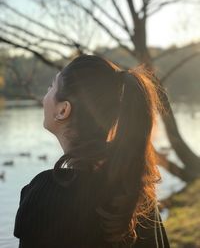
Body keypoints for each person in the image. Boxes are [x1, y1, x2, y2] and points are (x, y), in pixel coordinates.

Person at [13, 55, 170, 248]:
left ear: (63, 110)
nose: (45, 96)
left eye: (51, 87)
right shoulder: (135, 192)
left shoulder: (45, 192)